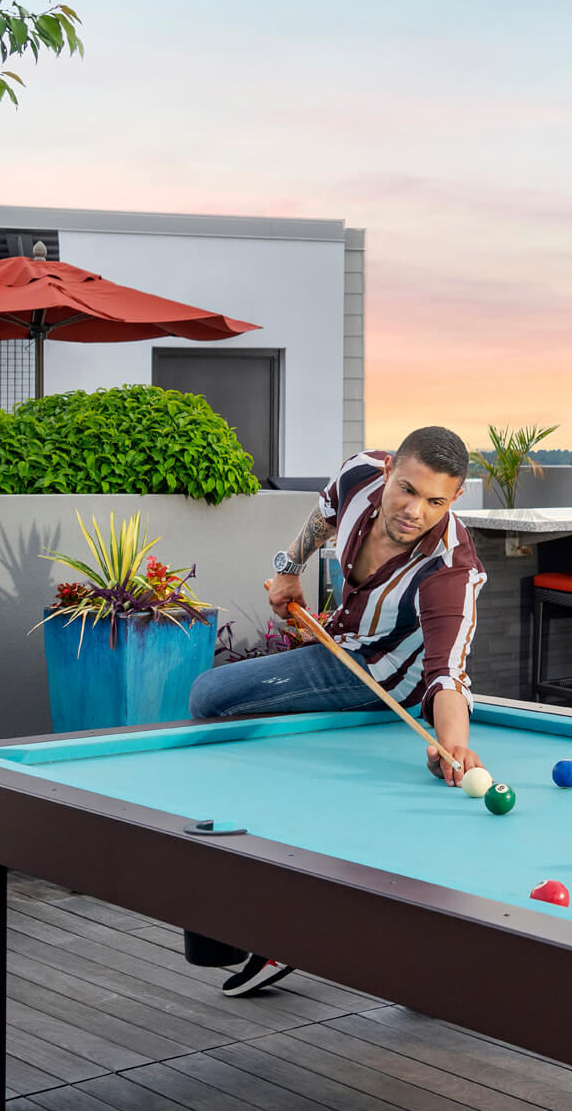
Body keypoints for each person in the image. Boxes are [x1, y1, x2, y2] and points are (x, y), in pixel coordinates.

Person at [181, 425, 488, 996]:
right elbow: (323, 516)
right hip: (338, 640)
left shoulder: (451, 569)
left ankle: (276, 918)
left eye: (436, 501)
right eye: (407, 490)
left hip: (377, 677)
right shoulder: (358, 472)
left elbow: (447, 673)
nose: (414, 511)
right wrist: (289, 566)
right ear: (389, 468)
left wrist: (454, 746)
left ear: (456, 499)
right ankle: (280, 909)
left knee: (208, 696)